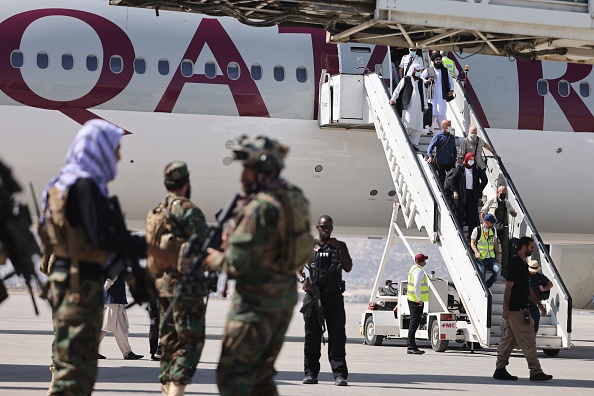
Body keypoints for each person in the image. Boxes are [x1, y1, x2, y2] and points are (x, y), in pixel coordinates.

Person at [40, 119, 172, 395]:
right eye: (115, 149)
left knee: (68, 364)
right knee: (77, 371)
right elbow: (101, 237)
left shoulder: (60, 183)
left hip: (66, 279)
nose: (119, 156)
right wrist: (147, 246)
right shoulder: (85, 185)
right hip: (81, 284)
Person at [204, 135, 312, 396]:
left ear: (263, 168)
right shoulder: (292, 198)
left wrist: (211, 258)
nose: (242, 176)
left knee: (233, 375)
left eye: (247, 168)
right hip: (282, 298)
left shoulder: (259, 208)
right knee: (261, 377)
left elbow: (237, 264)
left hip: (255, 304)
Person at [147, 161, 209, 396]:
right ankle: (176, 390)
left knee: (169, 340)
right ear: (186, 183)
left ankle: (166, 387)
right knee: (190, 341)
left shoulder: (156, 211)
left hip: (161, 284)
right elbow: (204, 246)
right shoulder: (189, 210)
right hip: (185, 287)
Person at [302, 215, 353, 386]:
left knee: (337, 336)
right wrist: (304, 282)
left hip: (334, 296)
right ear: (318, 228)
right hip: (313, 296)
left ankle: (339, 374)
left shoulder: (340, 246)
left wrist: (338, 248)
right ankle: (310, 373)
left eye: (329, 227)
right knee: (312, 336)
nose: (326, 230)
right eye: (323, 227)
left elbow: (348, 267)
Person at [493, 236, 553, 382]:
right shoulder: (515, 265)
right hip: (516, 309)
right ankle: (535, 371)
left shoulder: (523, 264)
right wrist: (506, 309)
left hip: (517, 308)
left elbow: (527, 288)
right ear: (524, 247)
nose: (533, 250)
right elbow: (508, 288)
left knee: (508, 340)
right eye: (531, 247)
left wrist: (538, 303)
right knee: (529, 338)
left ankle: (500, 369)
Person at [98, 275, 143, 360]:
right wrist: (103, 291)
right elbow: (110, 280)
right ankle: (127, 353)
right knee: (112, 328)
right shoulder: (118, 265)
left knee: (116, 328)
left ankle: (127, 352)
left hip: (115, 301)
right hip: (113, 302)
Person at [445, 152, 487, 239]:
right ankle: (459, 233)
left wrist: (479, 196)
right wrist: (455, 191)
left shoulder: (475, 170)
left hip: (472, 194)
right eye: (470, 159)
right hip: (461, 194)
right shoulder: (460, 169)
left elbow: (479, 183)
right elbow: (452, 181)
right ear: (466, 160)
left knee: (472, 215)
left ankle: (471, 235)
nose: (471, 161)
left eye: (473, 160)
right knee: (461, 214)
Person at [389, 63, 428, 151]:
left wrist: (425, 105)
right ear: (412, 71)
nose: (418, 72)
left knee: (418, 126)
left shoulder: (421, 81)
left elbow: (424, 94)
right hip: (408, 105)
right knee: (408, 123)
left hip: (419, 107)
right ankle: (405, 142)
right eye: (416, 71)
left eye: (419, 71)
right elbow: (397, 90)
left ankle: (413, 143)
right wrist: (393, 99)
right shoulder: (405, 79)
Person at [481, 186, 517, 277]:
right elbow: (483, 212)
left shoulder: (506, 203)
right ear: (497, 193)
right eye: (501, 194)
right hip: (493, 228)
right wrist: (484, 223)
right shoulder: (492, 201)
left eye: (504, 194)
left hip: (504, 228)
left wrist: (513, 213)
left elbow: (512, 211)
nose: (503, 196)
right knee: (492, 247)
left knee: (505, 249)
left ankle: (504, 269)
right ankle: (491, 265)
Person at [421, 52, 454, 129]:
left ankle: (442, 129)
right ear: (433, 61)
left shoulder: (445, 70)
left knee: (441, 113)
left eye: (439, 60)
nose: (438, 61)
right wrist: (427, 81)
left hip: (442, 96)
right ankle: (430, 129)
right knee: (431, 112)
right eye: (437, 60)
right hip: (431, 95)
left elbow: (451, 81)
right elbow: (421, 78)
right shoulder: (428, 70)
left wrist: (452, 90)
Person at [470, 214, 501, 288]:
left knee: (498, 272)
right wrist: (476, 252)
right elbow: (472, 243)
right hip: (481, 258)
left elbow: (495, 243)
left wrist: (497, 255)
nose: (493, 224)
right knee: (481, 278)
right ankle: (483, 290)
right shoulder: (477, 230)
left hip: (491, 257)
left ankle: (487, 286)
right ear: (486, 222)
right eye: (492, 222)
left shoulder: (493, 230)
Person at [407, 253, 429, 355]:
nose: (425, 262)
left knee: (413, 323)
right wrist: (419, 299)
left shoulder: (413, 268)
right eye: (424, 260)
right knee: (414, 324)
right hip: (416, 301)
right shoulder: (419, 271)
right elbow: (416, 286)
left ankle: (411, 346)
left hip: (412, 299)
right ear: (420, 262)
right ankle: (411, 347)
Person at [426, 119, 458, 185]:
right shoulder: (438, 136)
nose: (450, 127)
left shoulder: (451, 137)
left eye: (450, 125)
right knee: (442, 177)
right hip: (441, 161)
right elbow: (430, 147)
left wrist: (455, 157)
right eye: (448, 125)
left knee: (452, 177)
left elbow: (454, 148)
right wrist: (430, 156)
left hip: (450, 161)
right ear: (443, 127)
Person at [527, 260, 553, 334]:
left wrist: (544, 289)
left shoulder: (539, 276)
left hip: (534, 304)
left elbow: (550, 284)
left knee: (536, 321)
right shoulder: (524, 276)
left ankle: (531, 339)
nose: (533, 272)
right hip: (523, 305)